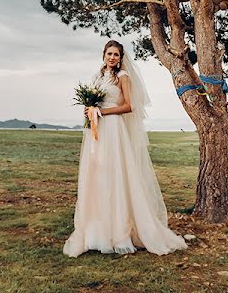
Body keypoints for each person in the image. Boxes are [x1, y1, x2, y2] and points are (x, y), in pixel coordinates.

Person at [63, 40, 188, 257]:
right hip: (97, 130)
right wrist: (89, 110)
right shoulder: (98, 77)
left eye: (116, 54)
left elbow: (129, 106)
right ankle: (96, 231)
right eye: (109, 53)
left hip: (113, 130)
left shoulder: (123, 77)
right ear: (104, 54)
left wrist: (103, 112)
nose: (112, 57)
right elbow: (94, 104)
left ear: (121, 57)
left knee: (115, 175)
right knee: (97, 175)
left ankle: (120, 232)